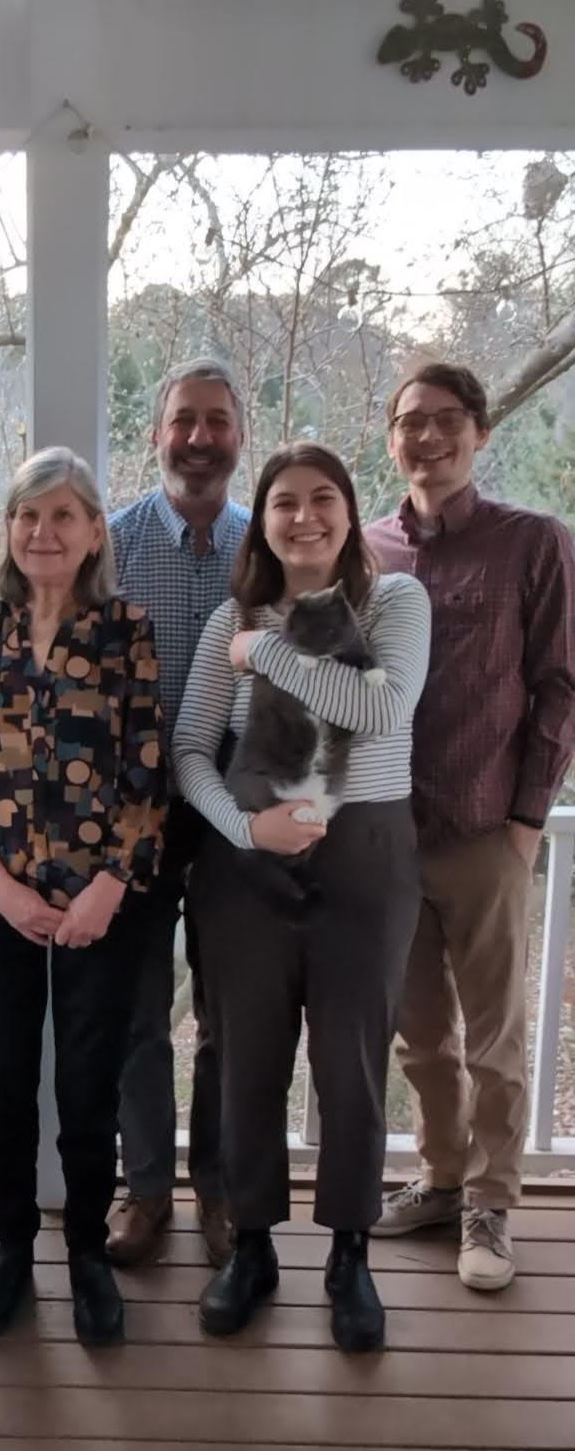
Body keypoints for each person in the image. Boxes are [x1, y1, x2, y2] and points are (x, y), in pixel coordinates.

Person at [175, 440, 430, 1351]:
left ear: (351, 513)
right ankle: (251, 1246)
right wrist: (248, 831)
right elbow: (191, 752)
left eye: (324, 499)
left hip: (365, 856)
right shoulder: (225, 622)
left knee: (353, 1060)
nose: (304, 516)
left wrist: (265, 651)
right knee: (246, 1057)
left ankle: (350, 1251)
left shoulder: (394, 600)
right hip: (246, 869)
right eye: (285, 501)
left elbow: (378, 710)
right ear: (265, 518)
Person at [0, 446, 166, 1346]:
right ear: (11, 529)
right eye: (30, 514)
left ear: (95, 530)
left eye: (64, 515)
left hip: (97, 907)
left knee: (88, 1088)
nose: (44, 531)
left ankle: (87, 1261)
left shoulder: (126, 632)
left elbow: (147, 773)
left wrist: (110, 884)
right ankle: (16, 1255)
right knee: (2, 1084)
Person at [368, 362, 575, 1291]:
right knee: (419, 1032)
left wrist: (529, 816)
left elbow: (561, 687)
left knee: (495, 1033)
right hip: (389, 835)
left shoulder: (534, 544)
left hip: (489, 826)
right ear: (392, 439)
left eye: (447, 420)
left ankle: (492, 1200)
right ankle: (443, 1176)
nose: (429, 437)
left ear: (480, 433)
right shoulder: (367, 549)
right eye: (411, 422)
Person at [106, 357, 249, 1267]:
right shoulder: (111, 545)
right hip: (136, 812)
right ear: (157, 431)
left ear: (240, 434)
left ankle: (221, 1187)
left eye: (217, 420)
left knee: (231, 1009)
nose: (199, 437)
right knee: (137, 1011)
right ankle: (146, 1186)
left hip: (241, 817)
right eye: (183, 419)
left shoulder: (267, 548)